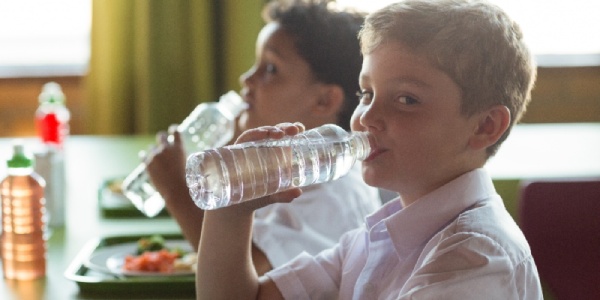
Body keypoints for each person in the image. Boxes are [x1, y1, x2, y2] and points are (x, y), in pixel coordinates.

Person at [194, 0, 543, 299]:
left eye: (407, 99)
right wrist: (233, 209)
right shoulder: (372, 240)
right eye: (367, 94)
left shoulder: (476, 257)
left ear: (484, 126)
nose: (367, 118)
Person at [145, 0, 381, 276]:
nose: (246, 78)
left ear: (324, 100)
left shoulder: (333, 193)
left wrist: (177, 191)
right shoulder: (285, 164)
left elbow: (251, 273)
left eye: (270, 69)